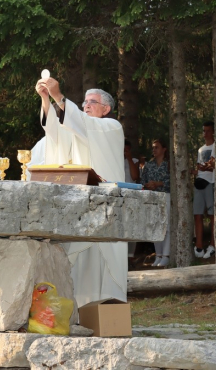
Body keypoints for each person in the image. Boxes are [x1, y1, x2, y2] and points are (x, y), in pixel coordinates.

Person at [35, 76, 127, 308]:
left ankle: (107, 314)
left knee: (102, 263)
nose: (86, 105)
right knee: (77, 264)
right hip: (79, 204)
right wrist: (46, 100)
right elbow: (54, 131)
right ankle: (77, 311)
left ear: (106, 109)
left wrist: (58, 96)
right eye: (84, 101)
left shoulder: (111, 126)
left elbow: (81, 123)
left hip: (105, 207)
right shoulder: (79, 127)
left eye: (92, 102)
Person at [140, 139, 171, 267]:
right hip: (152, 197)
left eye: (156, 147)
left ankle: (166, 255)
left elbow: (172, 181)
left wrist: (158, 184)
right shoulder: (149, 165)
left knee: (167, 226)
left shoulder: (169, 164)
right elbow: (143, 181)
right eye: (153, 148)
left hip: (166, 196)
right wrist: (149, 185)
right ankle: (158, 255)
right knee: (155, 226)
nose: (154, 150)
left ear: (164, 149)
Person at [192, 121, 215, 259]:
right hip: (199, 182)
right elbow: (199, 168)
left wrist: (207, 167)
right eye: (203, 131)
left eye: (208, 130)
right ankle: (199, 245)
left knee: (212, 215)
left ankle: (212, 244)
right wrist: (192, 171)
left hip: (211, 182)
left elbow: (214, 165)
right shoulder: (200, 149)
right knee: (197, 214)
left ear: (213, 131)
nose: (205, 133)